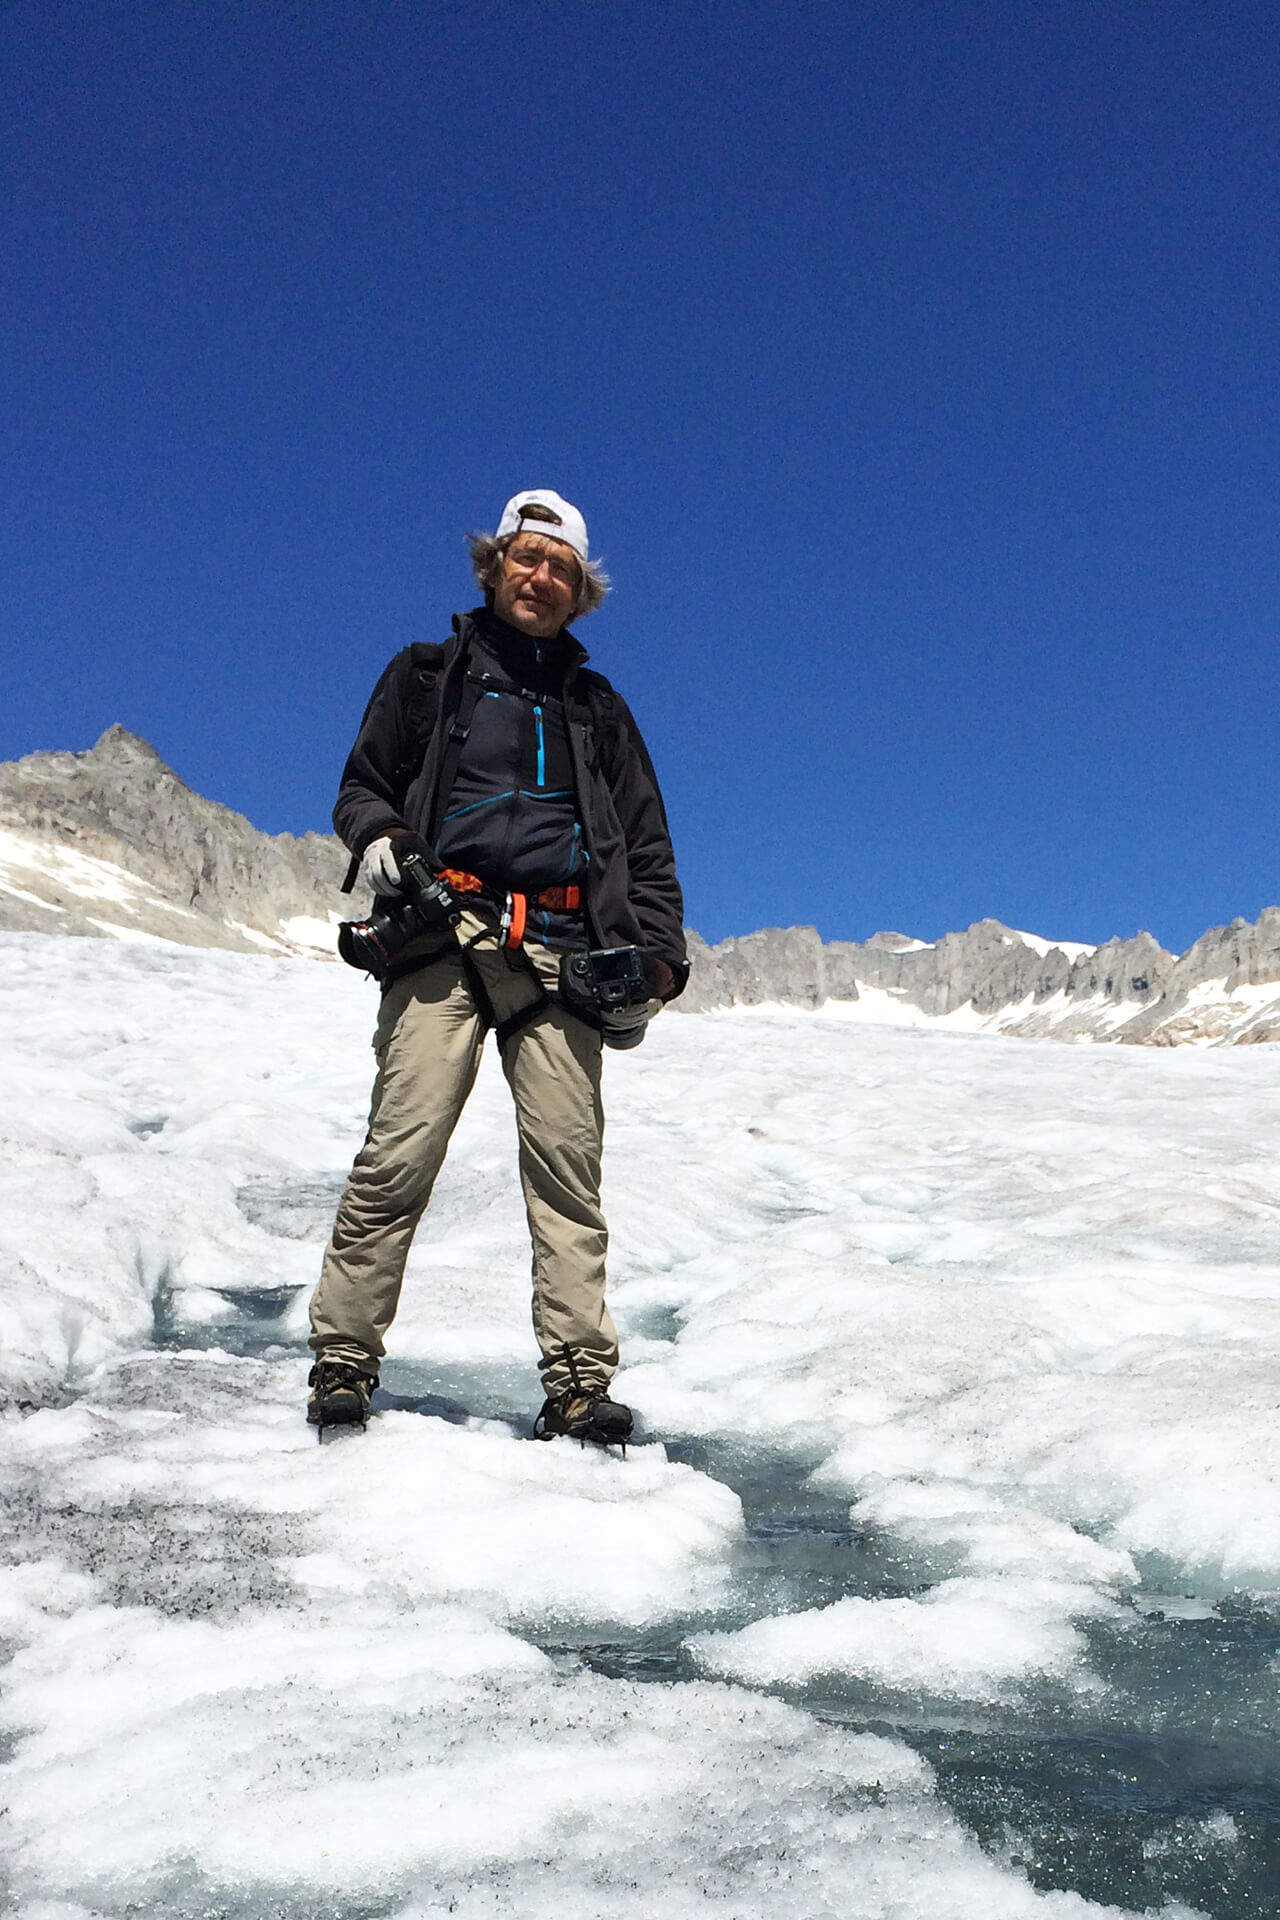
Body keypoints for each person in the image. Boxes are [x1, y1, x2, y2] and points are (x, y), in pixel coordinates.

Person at [307, 489, 688, 1444]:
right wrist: (385, 836)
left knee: (567, 1173)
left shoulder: (599, 711)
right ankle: (344, 1360)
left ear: (579, 590)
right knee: (401, 1150)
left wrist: (660, 965)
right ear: (494, 567)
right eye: (527, 559)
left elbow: (646, 846)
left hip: (563, 953)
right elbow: (363, 784)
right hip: (442, 933)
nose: (541, 578)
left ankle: (576, 1384)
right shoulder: (428, 676)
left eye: (560, 568)